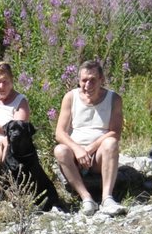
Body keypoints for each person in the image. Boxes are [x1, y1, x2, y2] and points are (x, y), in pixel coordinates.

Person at [52, 60, 124, 216]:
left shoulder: (114, 99)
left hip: (99, 154)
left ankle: (107, 198)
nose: (88, 85)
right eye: (84, 80)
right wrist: (78, 150)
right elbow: (60, 132)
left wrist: (91, 148)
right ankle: (86, 198)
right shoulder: (70, 97)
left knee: (111, 143)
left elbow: (115, 132)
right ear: (79, 81)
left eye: (92, 80)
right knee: (60, 150)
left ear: (101, 80)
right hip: (75, 154)